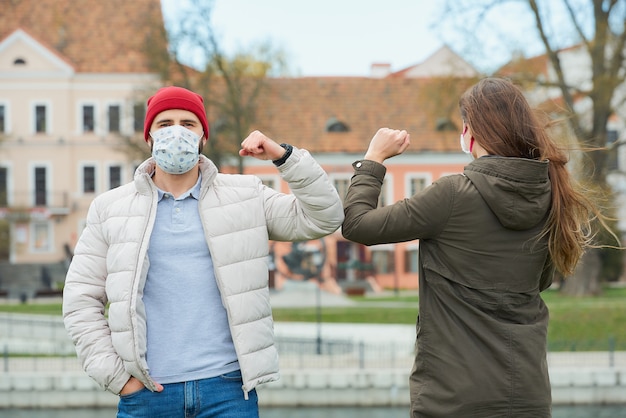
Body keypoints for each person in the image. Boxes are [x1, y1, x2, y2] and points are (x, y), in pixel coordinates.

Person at [62, 85, 344, 418]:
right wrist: (119, 379)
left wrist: (283, 157)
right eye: (165, 124)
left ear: (203, 137)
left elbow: (323, 216)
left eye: (188, 123)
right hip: (147, 394)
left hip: (227, 391)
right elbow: (80, 300)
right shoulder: (110, 208)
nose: (177, 132)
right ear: (149, 137)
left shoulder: (245, 195)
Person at [342, 78, 611, 417]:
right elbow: (539, 283)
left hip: (455, 398)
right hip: (528, 396)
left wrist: (374, 159)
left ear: (471, 132)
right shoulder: (550, 195)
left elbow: (356, 224)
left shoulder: (453, 195)